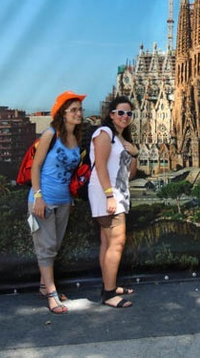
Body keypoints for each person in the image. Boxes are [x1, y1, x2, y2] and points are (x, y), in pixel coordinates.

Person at [30, 90, 86, 315]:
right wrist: (38, 197)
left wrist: (70, 198)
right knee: (46, 246)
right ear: (62, 114)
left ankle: (45, 287)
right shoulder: (50, 134)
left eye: (80, 109)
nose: (78, 113)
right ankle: (52, 294)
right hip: (44, 199)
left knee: (54, 245)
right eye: (73, 110)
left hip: (63, 200)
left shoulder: (75, 138)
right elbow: (36, 166)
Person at [88, 96, 138, 308]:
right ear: (111, 114)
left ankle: (109, 285)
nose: (125, 117)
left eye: (129, 114)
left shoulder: (120, 139)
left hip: (118, 194)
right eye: (120, 112)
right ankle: (109, 294)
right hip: (106, 194)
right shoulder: (104, 134)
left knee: (108, 243)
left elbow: (130, 174)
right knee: (116, 243)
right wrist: (109, 195)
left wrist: (134, 153)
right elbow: (100, 166)